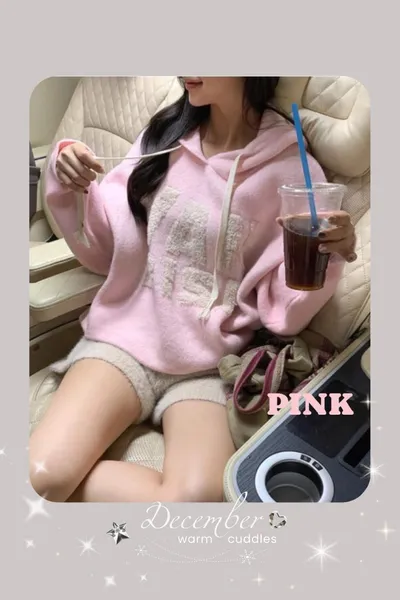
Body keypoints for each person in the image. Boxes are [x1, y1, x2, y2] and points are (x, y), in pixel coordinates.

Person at [29, 77, 357, 503]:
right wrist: (69, 177)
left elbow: (284, 311)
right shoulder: (164, 136)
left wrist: (331, 254)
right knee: (44, 476)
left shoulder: (294, 172)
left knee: (195, 499)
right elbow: (109, 241)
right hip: (125, 341)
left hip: (210, 366)